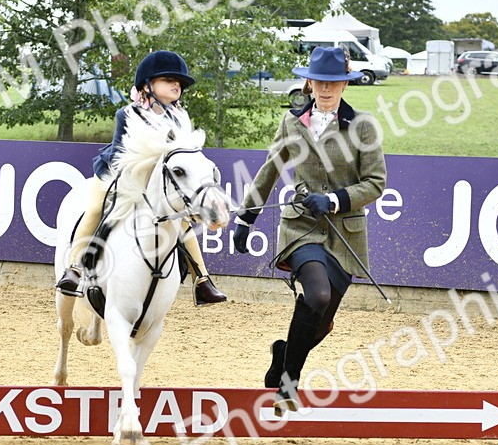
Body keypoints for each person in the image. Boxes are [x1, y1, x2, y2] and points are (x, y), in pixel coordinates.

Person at [232, 45, 387, 410]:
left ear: (345, 84)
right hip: (301, 227)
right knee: (315, 296)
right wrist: (246, 217)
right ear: (310, 82)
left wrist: (334, 200)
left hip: (343, 233)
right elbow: (269, 170)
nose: (326, 88)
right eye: (320, 81)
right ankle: (289, 383)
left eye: (334, 82)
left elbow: (376, 183)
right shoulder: (291, 122)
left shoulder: (363, 126)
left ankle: (284, 352)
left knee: (323, 322)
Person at [55, 50, 227, 305]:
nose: (176, 84)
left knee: (183, 224)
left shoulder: (181, 118)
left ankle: (202, 279)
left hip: (161, 188)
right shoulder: (128, 115)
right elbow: (117, 157)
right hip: (118, 178)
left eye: (178, 82)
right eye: (168, 79)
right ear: (147, 85)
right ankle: (75, 268)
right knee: (94, 209)